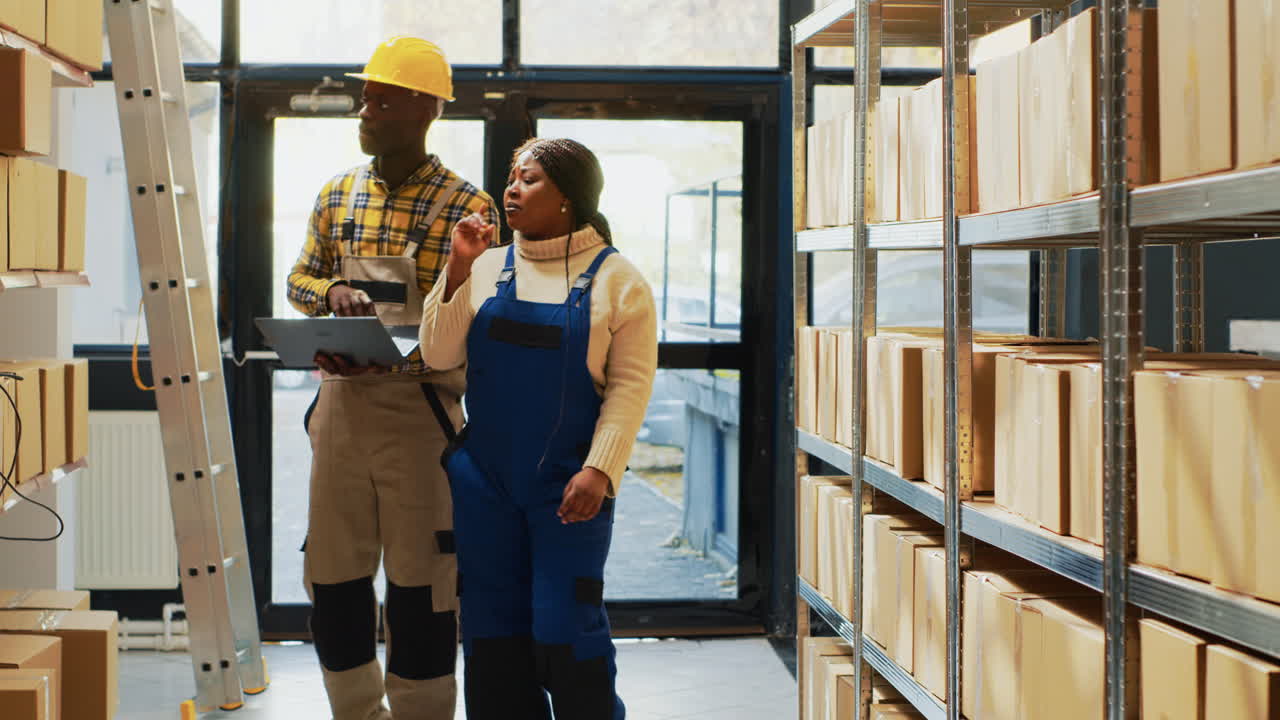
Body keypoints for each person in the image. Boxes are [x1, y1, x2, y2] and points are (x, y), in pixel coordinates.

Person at [286, 37, 499, 720]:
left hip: (422, 418)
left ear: (424, 109)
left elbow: (475, 311)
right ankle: (353, 711)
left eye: (380, 99)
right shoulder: (336, 193)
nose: (364, 110)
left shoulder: (469, 206)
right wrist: (331, 296)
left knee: (424, 588)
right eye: (366, 97)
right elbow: (298, 277)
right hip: (341, 412)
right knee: (333, 580)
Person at [420, 138, 658, 719]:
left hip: (568, 488)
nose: (510, 189)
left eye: (528, 180)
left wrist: (600, 469)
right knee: (493, 636)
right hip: (486, 485)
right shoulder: (487, 266)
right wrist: (455, 268)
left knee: (563, 634)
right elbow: (437, 350)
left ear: (568, 200)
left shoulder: (618, 281)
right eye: (511, 176)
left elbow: (629, 388)